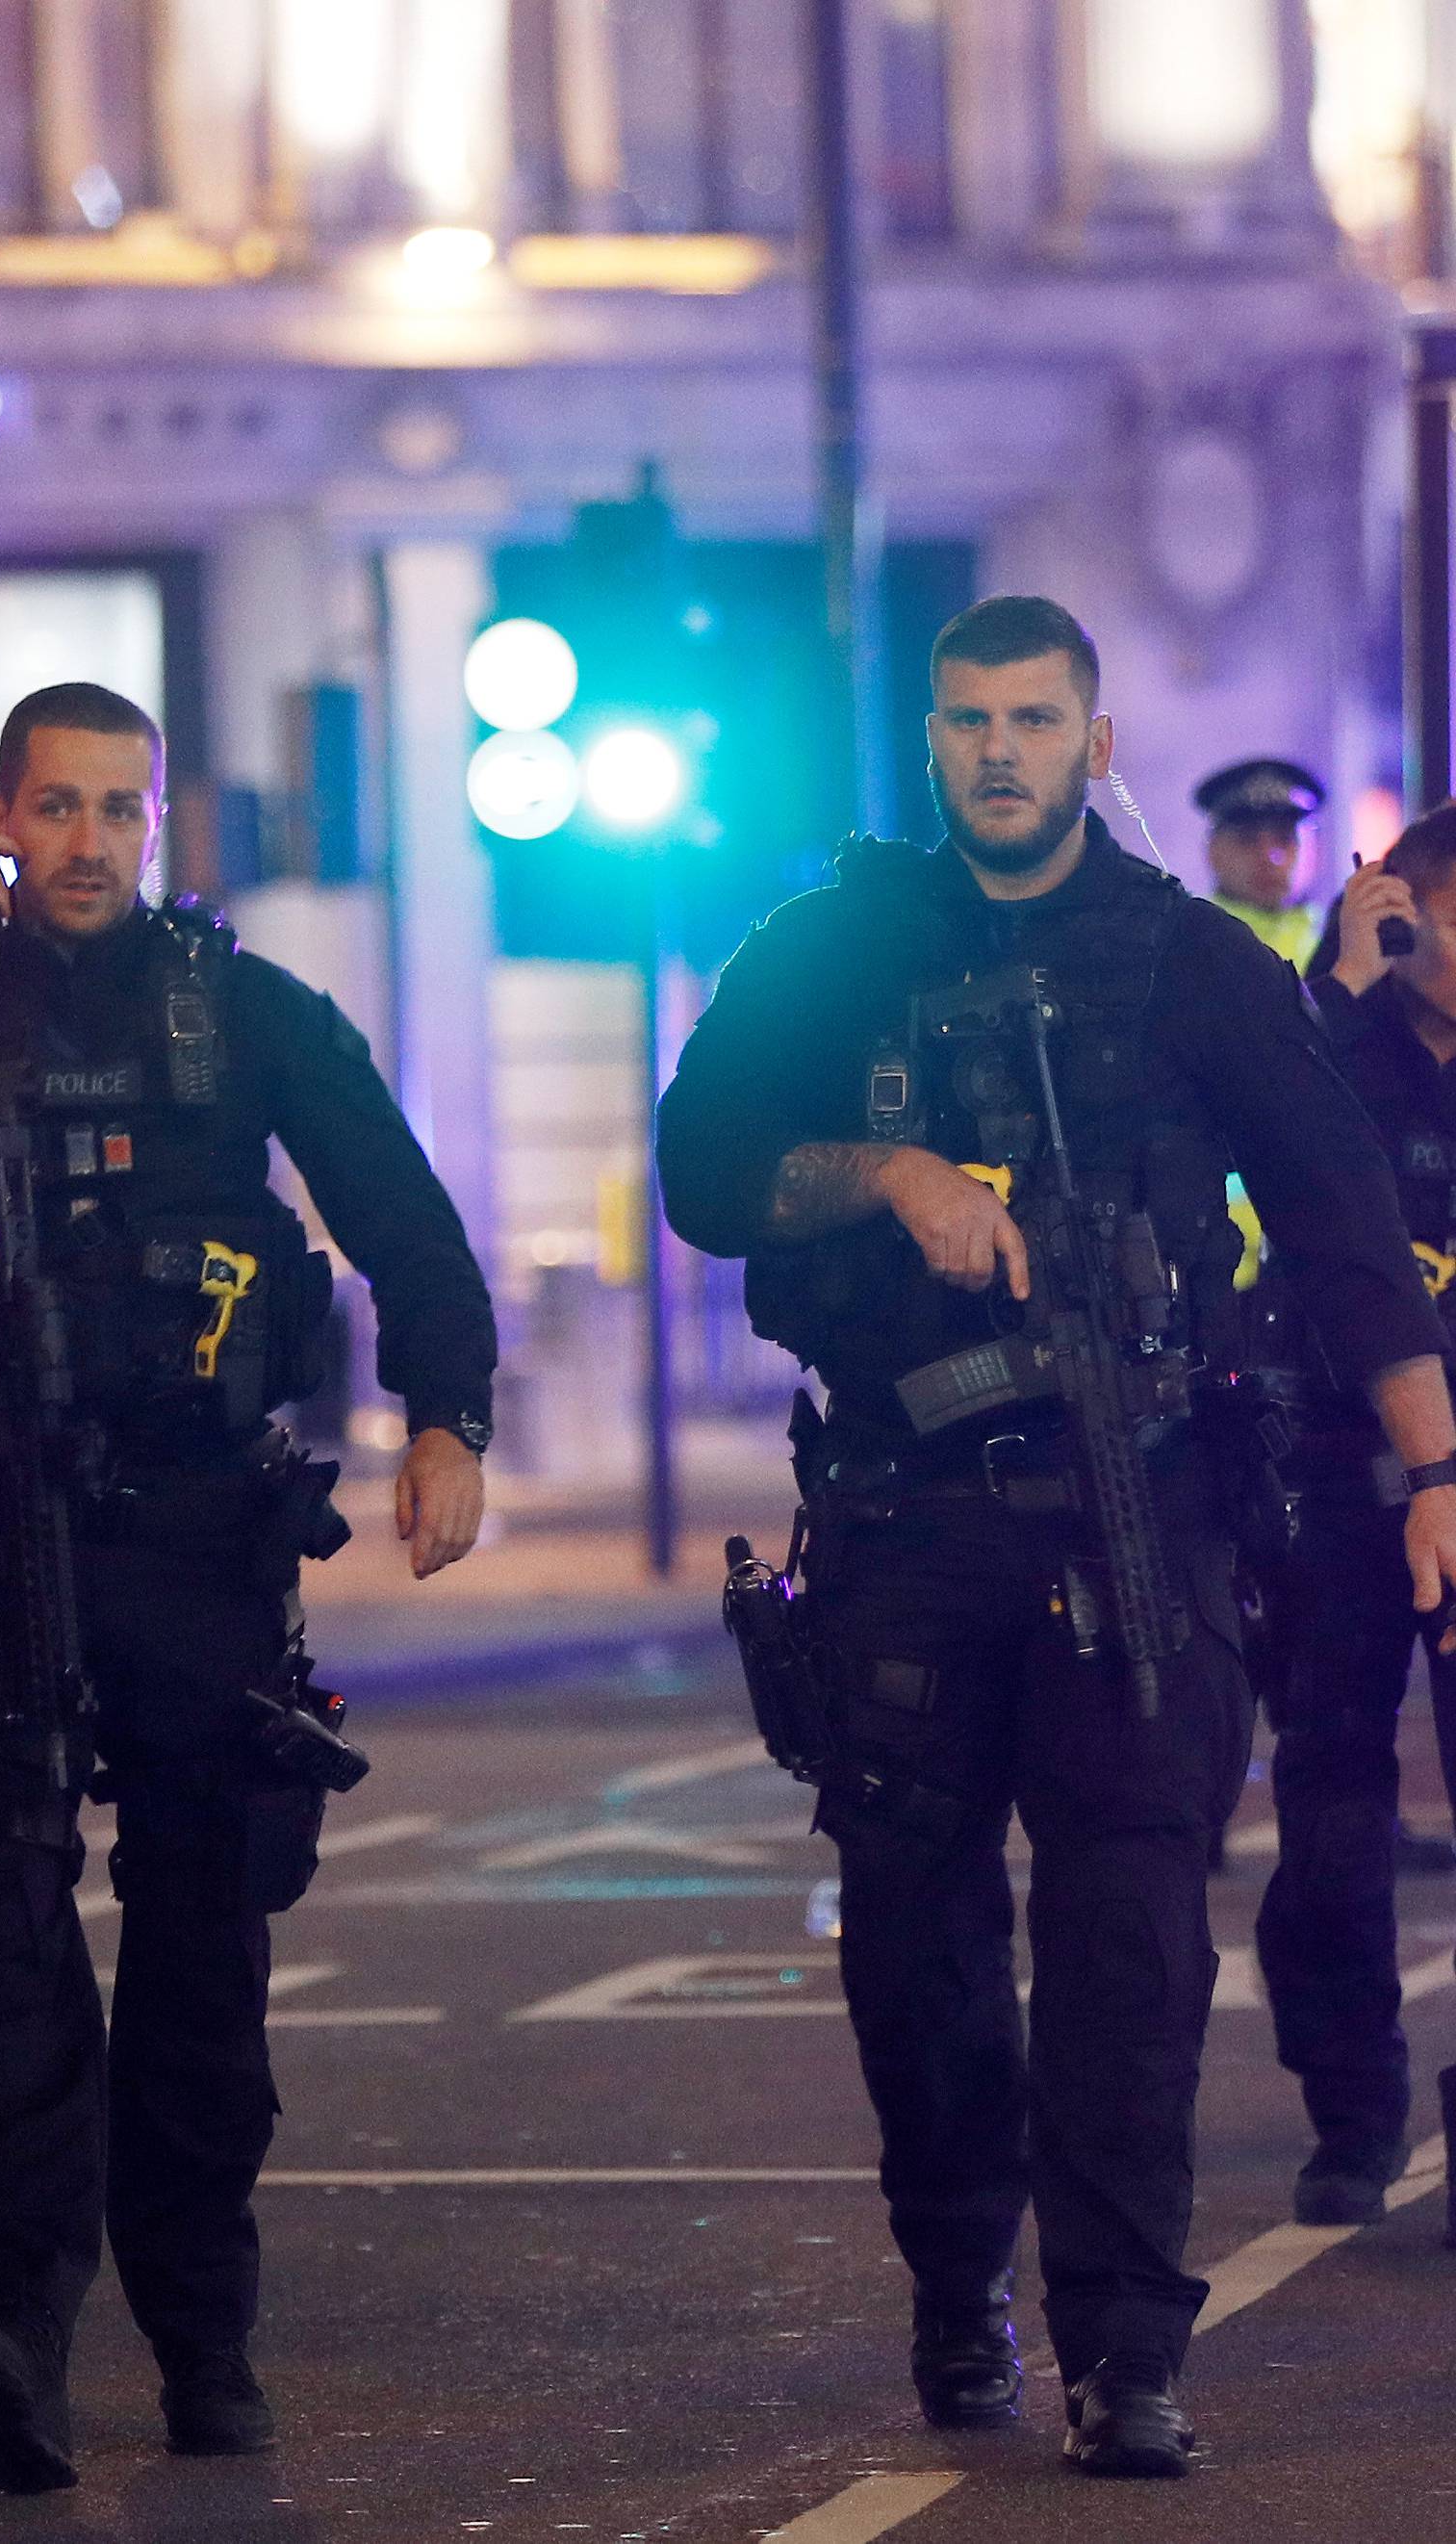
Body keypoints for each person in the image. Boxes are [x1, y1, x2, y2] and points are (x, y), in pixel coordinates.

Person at [657, 597, 1456, 2479]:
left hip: (1140, 1509)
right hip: (903, 1515)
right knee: (919, 1956)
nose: (998, 748)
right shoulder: (827, 951)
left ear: (1093, 742)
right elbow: (702, 1168)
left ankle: (1122, 2345)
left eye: (1034, 718)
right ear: (929, 744)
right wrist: (885, 1172)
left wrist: (1433, 1468)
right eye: (966, 720)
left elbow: (1341, 1224)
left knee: (1129, 1941)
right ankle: (961, 2284)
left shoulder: (1189, 964)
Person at [0, 682, 497, 2494]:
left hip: (202, 1542)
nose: (82, 843)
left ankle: (205, 2335)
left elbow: (403, 1215)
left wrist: (446, 1419)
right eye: (49, 810)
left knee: (206, 1955)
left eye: (113, 812)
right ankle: (14, 2334)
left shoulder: (239, 1010)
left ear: (157, 825)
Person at [1253, 808, 1456, 2225]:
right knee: (1329, 1803)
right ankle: (1353, 2105)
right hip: (1334, 1474)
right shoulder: (1333, 1046)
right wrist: (1339, 976)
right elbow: (1251, 1119)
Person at [1195, 757, 1325, 969]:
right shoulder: (1188, 944)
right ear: (1213, 851)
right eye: (1247, 839)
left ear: (1317, 851)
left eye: (1285, 838)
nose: (1269, 857)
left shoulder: (1345, 944)